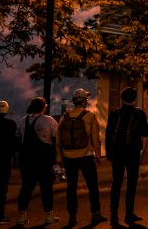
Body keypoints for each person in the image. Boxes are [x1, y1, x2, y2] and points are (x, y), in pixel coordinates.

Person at [57, 87, 106, 225]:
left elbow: (59, 141)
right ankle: (96, 214)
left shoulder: (64, 117)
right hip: (85, 156)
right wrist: (97, 155)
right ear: (85, 101)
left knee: (71, 187)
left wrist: (59, 158)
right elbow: (95, 139)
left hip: (68, 157)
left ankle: (72, 216)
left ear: (73, 101)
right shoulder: (89, 116)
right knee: (92, 186)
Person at [106, 86, 148, 226]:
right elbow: (145, 133)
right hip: (132, 152)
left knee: (116, 183)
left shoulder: (114, 114)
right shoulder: (139, 114)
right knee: (132, 183)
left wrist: (109, 153)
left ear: (122, 98)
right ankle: (129, 214)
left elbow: (108, 135)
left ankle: (114, 216)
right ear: (135, 98)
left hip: (117, 152)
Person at [16, 97, 60, 226]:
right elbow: (56, 141)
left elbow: (18, 139)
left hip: (26, 160)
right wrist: (57, 159)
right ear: (44, 107)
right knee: (46, 187)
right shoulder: (49, 120)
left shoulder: (23, 121)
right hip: (44, 159)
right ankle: (48, 215)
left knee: (26, 187)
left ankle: (21, 216)